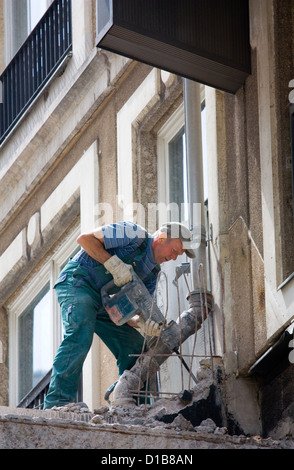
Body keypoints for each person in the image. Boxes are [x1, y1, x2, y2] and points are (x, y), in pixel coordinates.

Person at [43, 221, 195, 409]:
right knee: (80, 332)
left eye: (178, 255)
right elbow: (85, 240)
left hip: (101, 301)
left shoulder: (153, 272)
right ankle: (57, 404)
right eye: (174, 250)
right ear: (162, 238)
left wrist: (143, 324)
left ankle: (134, 407)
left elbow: (134, 313)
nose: (173, 258)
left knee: (135, 346)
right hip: (77, 283)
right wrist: (113, 264)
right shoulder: (133, 234)